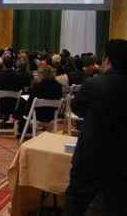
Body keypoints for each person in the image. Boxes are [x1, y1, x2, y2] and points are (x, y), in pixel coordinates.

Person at [65, 40, 127, 216]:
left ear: (108, 61)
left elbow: (77, 108)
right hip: (122, 157)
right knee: (116, 202)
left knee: (77, 200)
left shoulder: (95, 84)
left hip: (91, 153)